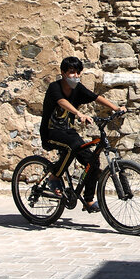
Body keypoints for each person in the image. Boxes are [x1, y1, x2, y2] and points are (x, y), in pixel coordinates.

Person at [40, 56, 122, 212]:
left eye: (78, 73)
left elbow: (95, 97)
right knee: (74, 146)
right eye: (71, 72)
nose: (75, 76)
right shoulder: (54, 87)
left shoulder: (78, 88)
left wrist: (116, 108)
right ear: (63, 73)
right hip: (51, 132)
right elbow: (61, 102)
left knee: (93, 162)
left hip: (68, 133)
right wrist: (78, 113)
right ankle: (54, 177)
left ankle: (89, 200)